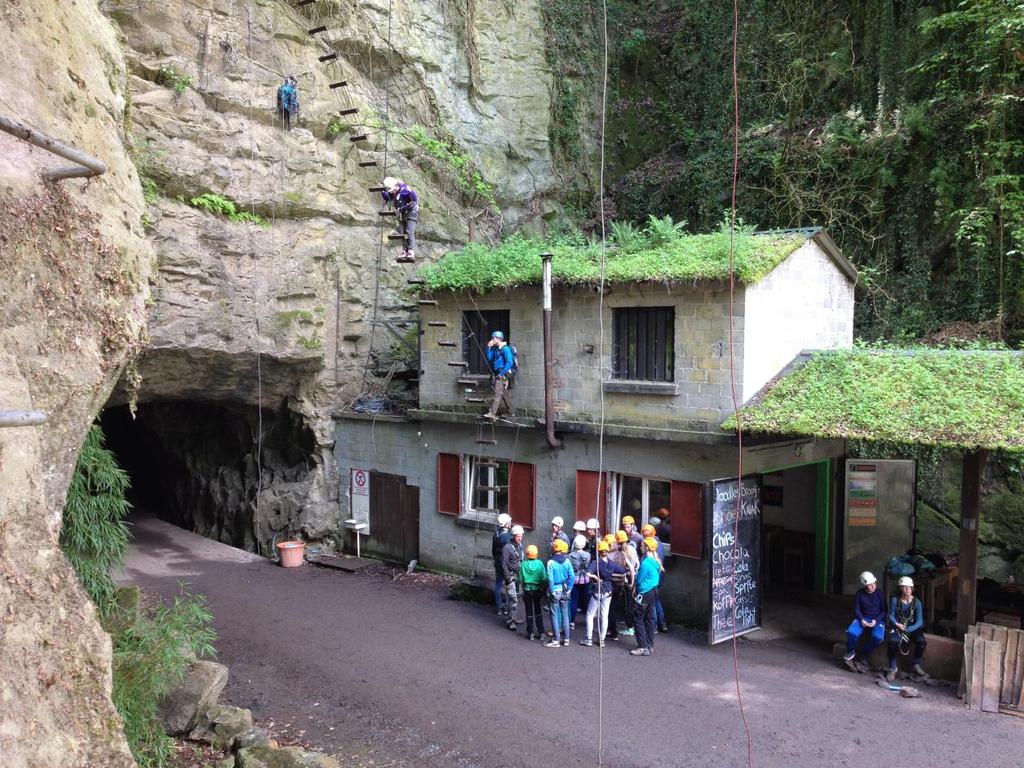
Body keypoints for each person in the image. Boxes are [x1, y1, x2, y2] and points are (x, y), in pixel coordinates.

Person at [581, 540, 626, 647]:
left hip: (597, 590)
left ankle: (588, 639)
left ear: (598, 551)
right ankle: (602, 640)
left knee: (590, 614)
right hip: (608, 590)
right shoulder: (611, 564)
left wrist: (596, 577)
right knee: (604, 616)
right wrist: (611, 576)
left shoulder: (596, 562)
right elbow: (623, 571)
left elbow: (588, 573)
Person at [843, 571, 886, 672]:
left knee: (878, 637)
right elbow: (856, 609)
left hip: (877, 619)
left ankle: (864, 655)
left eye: (873, 583)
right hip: (863, 618)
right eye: (869, 585)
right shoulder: (860, 594)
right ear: (864, 585)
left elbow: (884, 611)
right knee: (851, 632)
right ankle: (851, 652)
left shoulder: (880, 594)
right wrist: (861, 619)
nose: (872, 586)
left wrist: (875, 620)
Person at [886, 576, 927, 681]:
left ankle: (916, 663)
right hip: (898, 625)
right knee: (892, 642)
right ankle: (892, 667)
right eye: (904, 587)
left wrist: (909, 630)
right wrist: (897, 624)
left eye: (909, 587)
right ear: (900, 588)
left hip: (911, 627)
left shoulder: (916, 602)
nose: (907, 589)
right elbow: (890, 615)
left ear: (912, 588)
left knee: (921, 642)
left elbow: (919, 621)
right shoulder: (895, 600)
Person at [630, 536, 663, 657]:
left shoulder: (645, 563)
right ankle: (650, 645)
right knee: (649, 618)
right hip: (653, 591)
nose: (640, 547)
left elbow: (639, 579)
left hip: (644, 593)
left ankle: (642, 647)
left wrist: (635, 590)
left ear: (647, 548)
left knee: (637, 618)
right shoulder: (655, 561)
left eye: (642, 545)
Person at [380, 177, 419, 261]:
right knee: (402, 233)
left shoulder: (404, 189)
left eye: (393, 190)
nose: (392, 192)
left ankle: (411, 251)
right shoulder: (393, 193)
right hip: (402, 214)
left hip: (411, 212)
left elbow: (414, 198)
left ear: (396, 186)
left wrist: (410, 193)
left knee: (409, 231)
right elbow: (388, 198)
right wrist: (383, 192)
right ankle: (405, 251)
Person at [607, 530, 636, 641]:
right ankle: (630, 626)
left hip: (620, 582)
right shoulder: (631, 550)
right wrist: (632, 582)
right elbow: (634, 566)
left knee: (615, 607)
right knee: (628, 604)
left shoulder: (618, 553)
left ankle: (617, 630)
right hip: (627, 580)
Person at [546, 539, 574, 648]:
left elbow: (550, 579)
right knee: (565, 614)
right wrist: (569, 589)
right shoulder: (567, 561)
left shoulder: (550, 562)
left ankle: (556, 640)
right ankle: (566, 639)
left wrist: (552, 591)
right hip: (565, 589)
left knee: (554, 614)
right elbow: (572, 576)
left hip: (556, 590)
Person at [641, 523, 669, 633]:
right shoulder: (657, 544)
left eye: (646, 536)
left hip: (654, 577)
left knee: (652, 601)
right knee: (656, 600)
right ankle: (661, 624)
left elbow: (655, 562)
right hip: (657, 575)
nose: (644, 538)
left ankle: (655, 625)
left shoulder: (656, 546)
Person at [483, 331, 514, 421]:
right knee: (504, 394)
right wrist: (489, 347)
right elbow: (489, 358)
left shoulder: (505, 349)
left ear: (498, 338)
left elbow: (509, 362)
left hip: (503, 374)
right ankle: (511, 412)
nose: (492, 340)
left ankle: (492, 413)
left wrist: (501, 374)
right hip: (498, 373)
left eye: (493, 338)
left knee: (498, 393)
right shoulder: (496, 349)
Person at [520, 544, 547, 640]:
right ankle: (541, 632)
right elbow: (544, 578)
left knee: (529, 611)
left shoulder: (523, 564)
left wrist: (524, 586)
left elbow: (521, 578)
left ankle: (530, 632)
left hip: (527, 590)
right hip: (537, 590)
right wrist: (543, 588)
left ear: (527, 553)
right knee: (538, 610)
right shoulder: (540, 564)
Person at [501, 525, 525, 631]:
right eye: (518, 536)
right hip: (511, 576)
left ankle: (513, 617)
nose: (520, 538)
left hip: (518, 575)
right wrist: (507, 578)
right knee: (513, 598)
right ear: (513, 536)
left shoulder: (520, 546)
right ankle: (511, 621)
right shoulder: (507, 547)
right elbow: (504, 563)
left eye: (521, 536)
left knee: (516, 597)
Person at [568, 534, 591, 629]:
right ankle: (588, 621)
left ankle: (572, 622)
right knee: (586, 601)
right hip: (586, 579)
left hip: (575, 580)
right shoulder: (588, 555)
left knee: (573, 601)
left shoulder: (570, 556)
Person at [491, 513, 512, 615]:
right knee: (508, 585)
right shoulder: (507, 537)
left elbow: (493, 550)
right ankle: (506, 607)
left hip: (498, 561)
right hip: (505, 563)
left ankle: (499, 606)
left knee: (498, 584)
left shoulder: (496, 534)